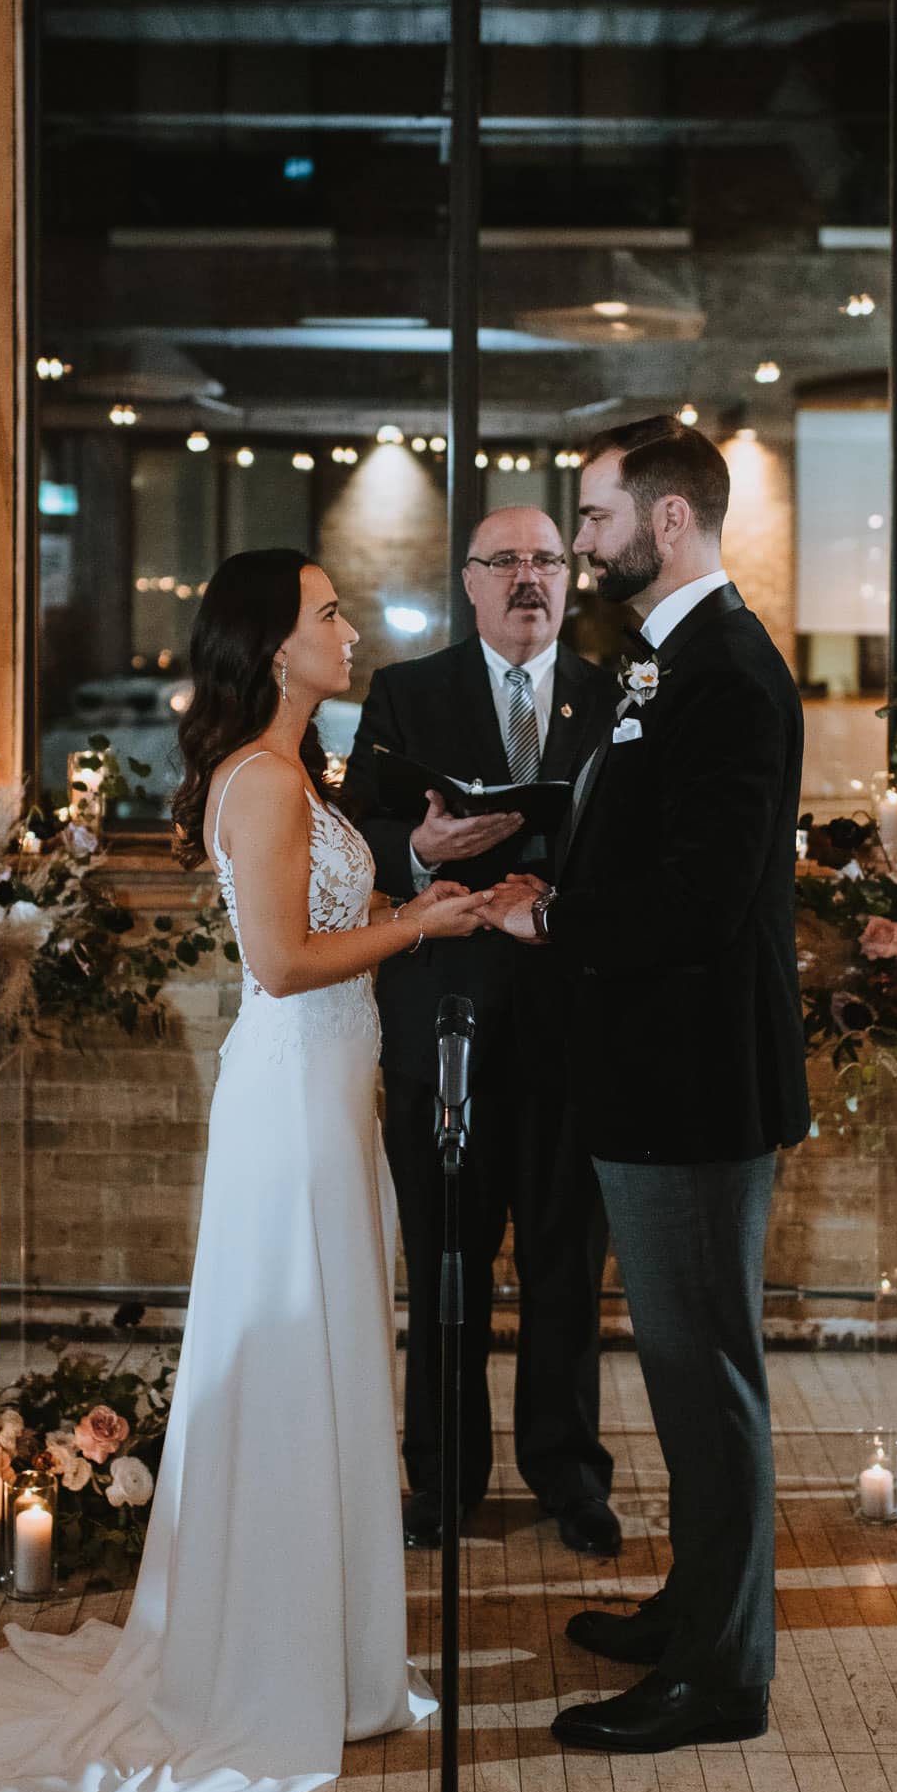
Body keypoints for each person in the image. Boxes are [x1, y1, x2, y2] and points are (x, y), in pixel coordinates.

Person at [0, 548, 488, 1792]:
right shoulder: (263, 779)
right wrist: (426, 924)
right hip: (292, 1099)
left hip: (333, 1090)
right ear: (275, 646)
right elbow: (279, 962)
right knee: (287, 1354)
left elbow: (334, 915)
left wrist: (427, 890)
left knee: (328, 1356)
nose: (350, 630)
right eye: (328, 613)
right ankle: (270, 1659)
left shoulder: (305, 776)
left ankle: (324, 1652)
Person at [484, 419, 810, 1755]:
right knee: (681, 1371)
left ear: (667, 520)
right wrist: (540, 865)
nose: (585, 542)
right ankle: (695, 1605)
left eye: (598, 517)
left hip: (695, 1085)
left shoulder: (729, 670)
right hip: (647, 1073)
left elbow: (706, 894)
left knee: (707, 1373)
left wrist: (556, 925)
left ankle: (724, 1675)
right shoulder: (664, 662)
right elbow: (644, 838)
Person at [345, 507, 622, 1557]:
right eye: (503, 561)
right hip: (443, 1032)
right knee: (447, 1264)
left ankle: (569, 1476)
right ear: (466, 581)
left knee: (564, 1268)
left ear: (569, 579)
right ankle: (444, 1482)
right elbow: (352, 837)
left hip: (568, 1024)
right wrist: (418, 846)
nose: (527, 579)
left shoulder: (614, 699)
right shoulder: (407, 695)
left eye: (547, 560)